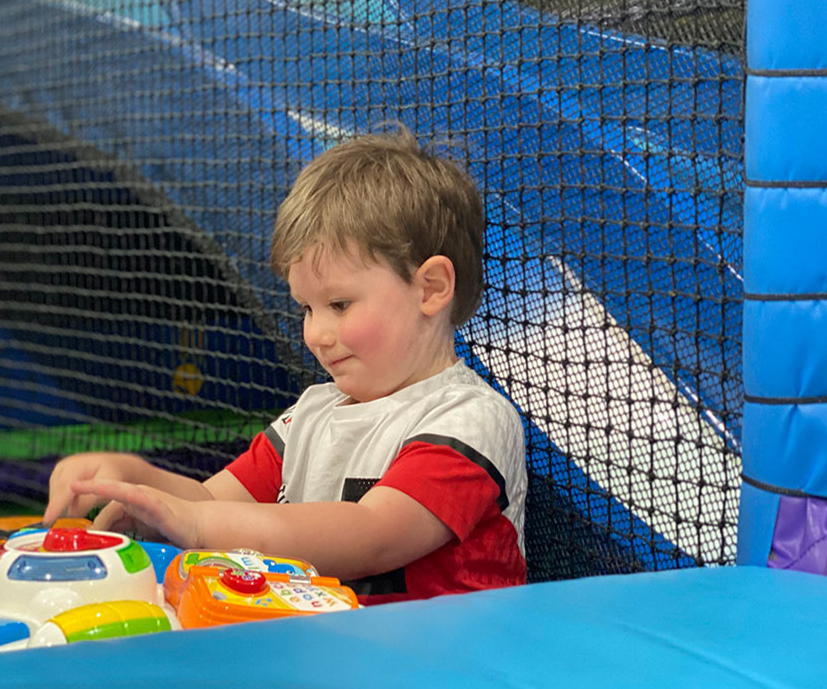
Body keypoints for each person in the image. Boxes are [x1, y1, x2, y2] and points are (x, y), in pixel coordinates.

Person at [44, 127, 526, 604]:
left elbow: (374, 534)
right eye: (306, 309)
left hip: (443, 650)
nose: (315, 334)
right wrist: (132, 478)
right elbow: (210, 501)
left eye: (339, 304)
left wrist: (199, 526)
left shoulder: (467, 419)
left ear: (431, 288)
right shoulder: (310, 416)